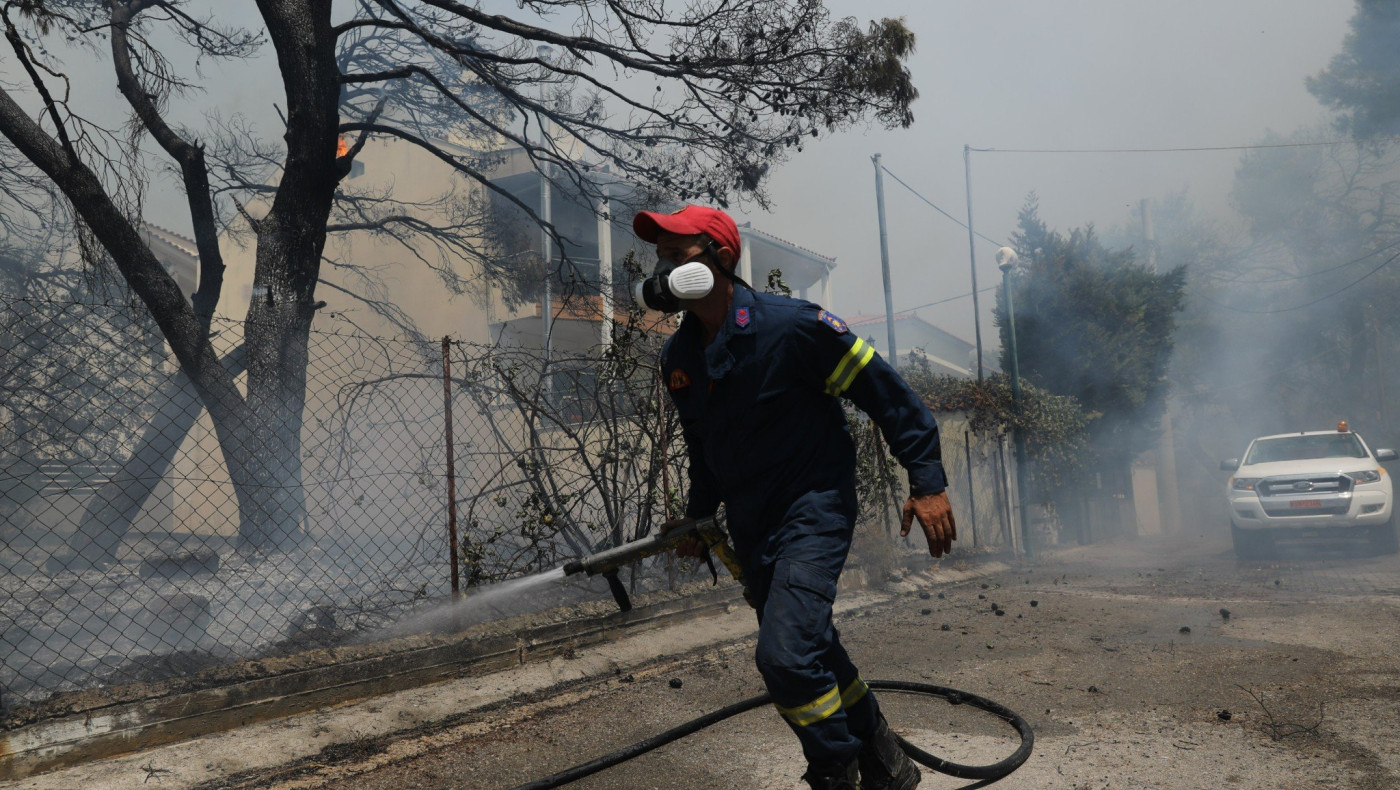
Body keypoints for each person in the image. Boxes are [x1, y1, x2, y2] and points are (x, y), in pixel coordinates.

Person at [633, 205, 956, 790]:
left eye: (675, 255)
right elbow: (702, 445)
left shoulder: (793, 327)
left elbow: (889, 395)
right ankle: (888, 764)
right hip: (752, 523)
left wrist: (927, 483)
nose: (661, 269)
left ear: (720, 258)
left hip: (813, 509)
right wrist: (699, 517)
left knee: (783, 657)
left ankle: (836, 773)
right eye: (659, 257)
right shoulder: (679, 359)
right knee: (812, 647)